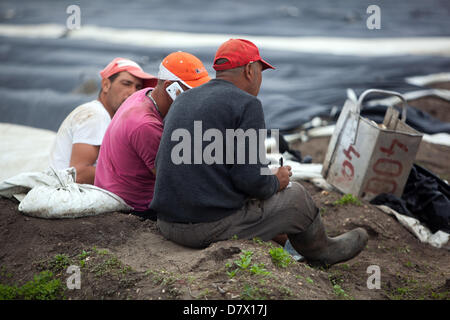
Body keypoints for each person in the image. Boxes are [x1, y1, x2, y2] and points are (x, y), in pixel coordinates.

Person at [150, 39, 369, 268]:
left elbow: (176, 163)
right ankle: (323, 251)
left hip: (168, 225)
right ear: (250, 70)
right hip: (204, 229)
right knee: (297, 197)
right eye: (260, 71)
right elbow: (250, 182)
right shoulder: (246, 104)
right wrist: (276, 180)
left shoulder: (184, 98)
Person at [94, 52, 211, 220]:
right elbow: (174, 179)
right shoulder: (146, 125)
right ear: (171, 88)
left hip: (112, 190)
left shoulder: (143, 95)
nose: (198, 97)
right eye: (192, 91)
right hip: (134, 208)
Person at [49, 58, 157, 184]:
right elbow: (79, 174)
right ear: (106, 85)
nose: (133, 92)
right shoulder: (95, 115)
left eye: (138, 87)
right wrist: (132, 172)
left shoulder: (110, 118)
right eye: (126, 84)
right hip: (67, 196)